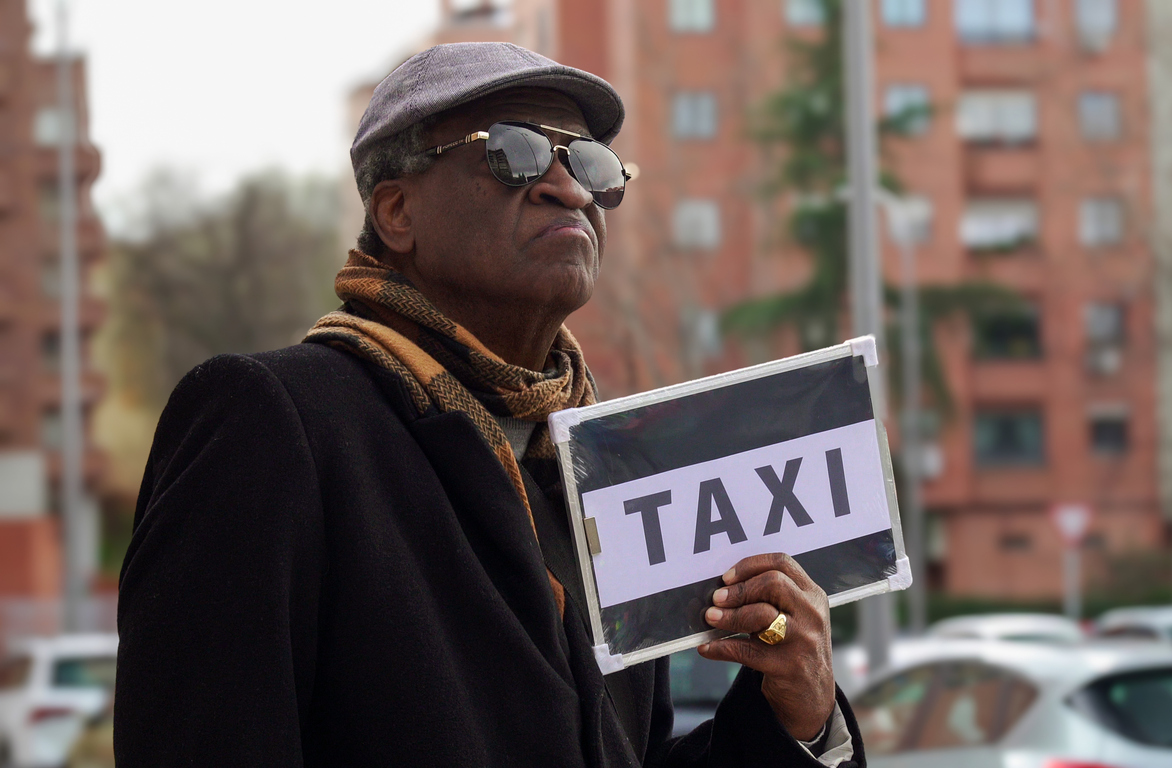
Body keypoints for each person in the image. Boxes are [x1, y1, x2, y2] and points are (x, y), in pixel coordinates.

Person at [114, 42, 862, 767]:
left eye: (588, 163)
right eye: (514, 152)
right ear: (397, 211)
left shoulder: (605, 465)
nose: (567, 186)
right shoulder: (274, 421)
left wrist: (794, 718)